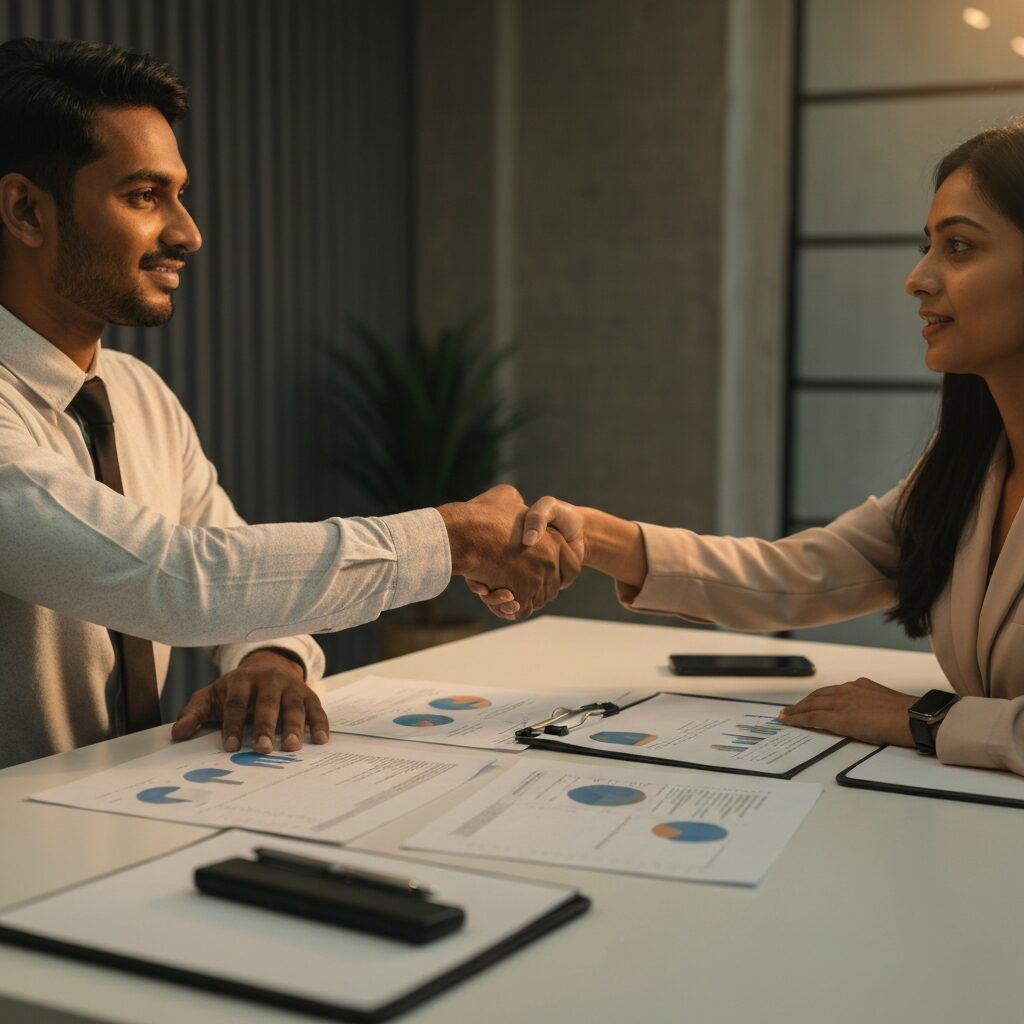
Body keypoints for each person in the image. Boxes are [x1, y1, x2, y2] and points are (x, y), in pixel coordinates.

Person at [0, 38, 577, 770]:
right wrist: (453, 539)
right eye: (145, 196)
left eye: (178, 194)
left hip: (121, 818)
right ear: (25, 210)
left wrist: (270, 660)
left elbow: (235, 572)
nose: (188, 232)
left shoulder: (137, 394)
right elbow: (173, 580)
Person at [473, 120, 1024, 777]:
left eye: (958, 246)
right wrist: (595, 535)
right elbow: (800, 575)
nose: (917, 278)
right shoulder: (966, 464)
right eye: (927, 246)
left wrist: (922, 717)